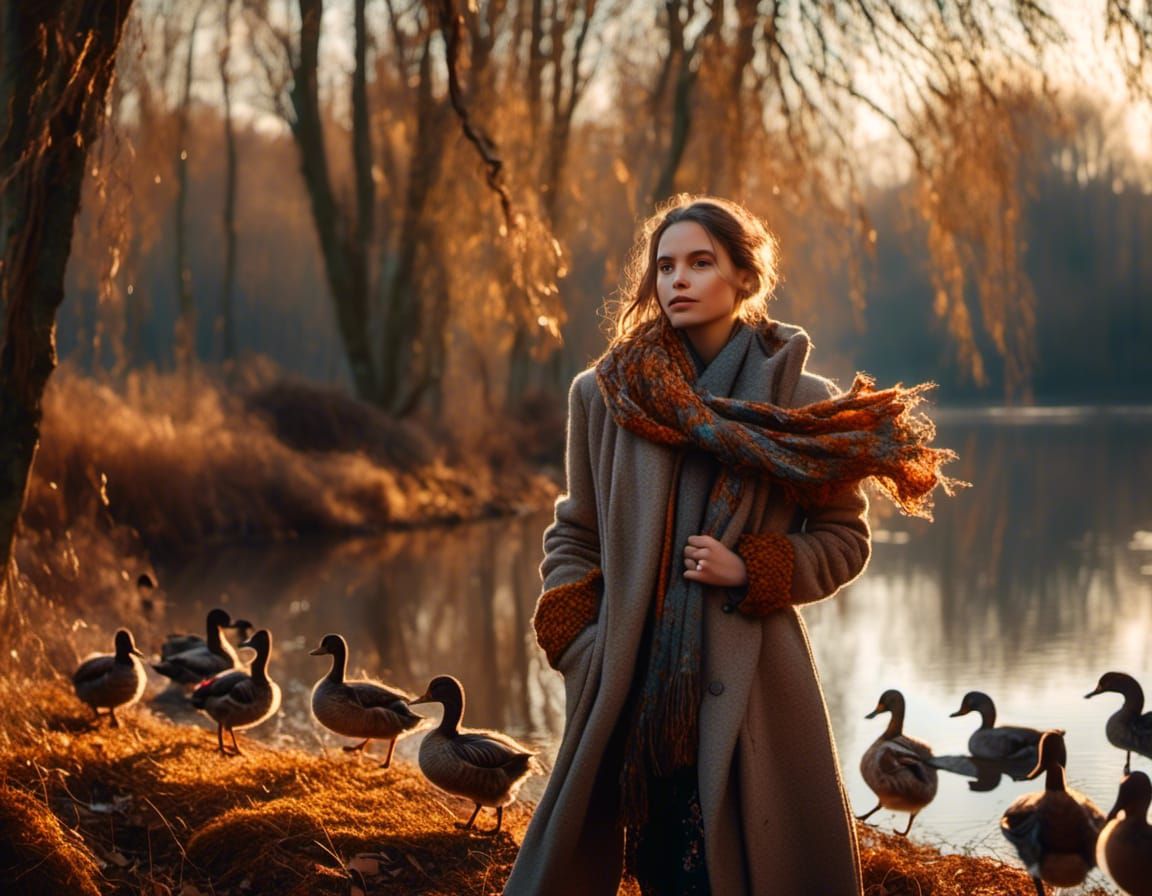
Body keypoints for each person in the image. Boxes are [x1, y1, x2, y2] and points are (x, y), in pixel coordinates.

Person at [503, 195, 960, 896]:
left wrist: (755, 567)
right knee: (657, 869)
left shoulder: (802, 400)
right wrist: (578, 642)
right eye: (664, 266)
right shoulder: (605, 395)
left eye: (699, 263)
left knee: (737, 872)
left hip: (755, 692)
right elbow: (576, 532)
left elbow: (843, 539)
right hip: (628, 684)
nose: (677, 280)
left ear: (745, 279)